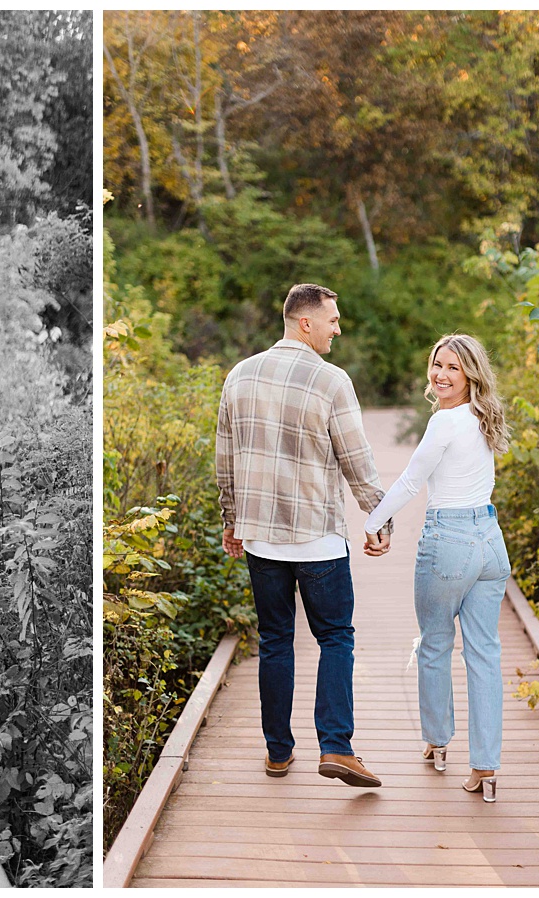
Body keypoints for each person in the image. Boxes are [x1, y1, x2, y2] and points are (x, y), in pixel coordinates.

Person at [216, 283, 393, 788]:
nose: (339, 328)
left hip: (261, 540)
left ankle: (278, 752)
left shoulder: (239, 376)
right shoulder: (332, 381)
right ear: (306, 322)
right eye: (333, 320)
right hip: (317, 539)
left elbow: (225, 459)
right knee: (335, 637)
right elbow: (357, 462)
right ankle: (336, 747)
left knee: (276, 640)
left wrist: (231, 520)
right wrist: (378, 518)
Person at [363, 333, 511, 802]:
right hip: (490, 540)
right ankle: (486, 767)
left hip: (448, 540)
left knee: (434, 644)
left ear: (470, 373)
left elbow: (410, 481)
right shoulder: (484, 415)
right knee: (484, 655)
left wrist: (373, 521)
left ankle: (437, 743)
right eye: (437, 365)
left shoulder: (445, 422)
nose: (441, 375)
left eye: (452, 367)